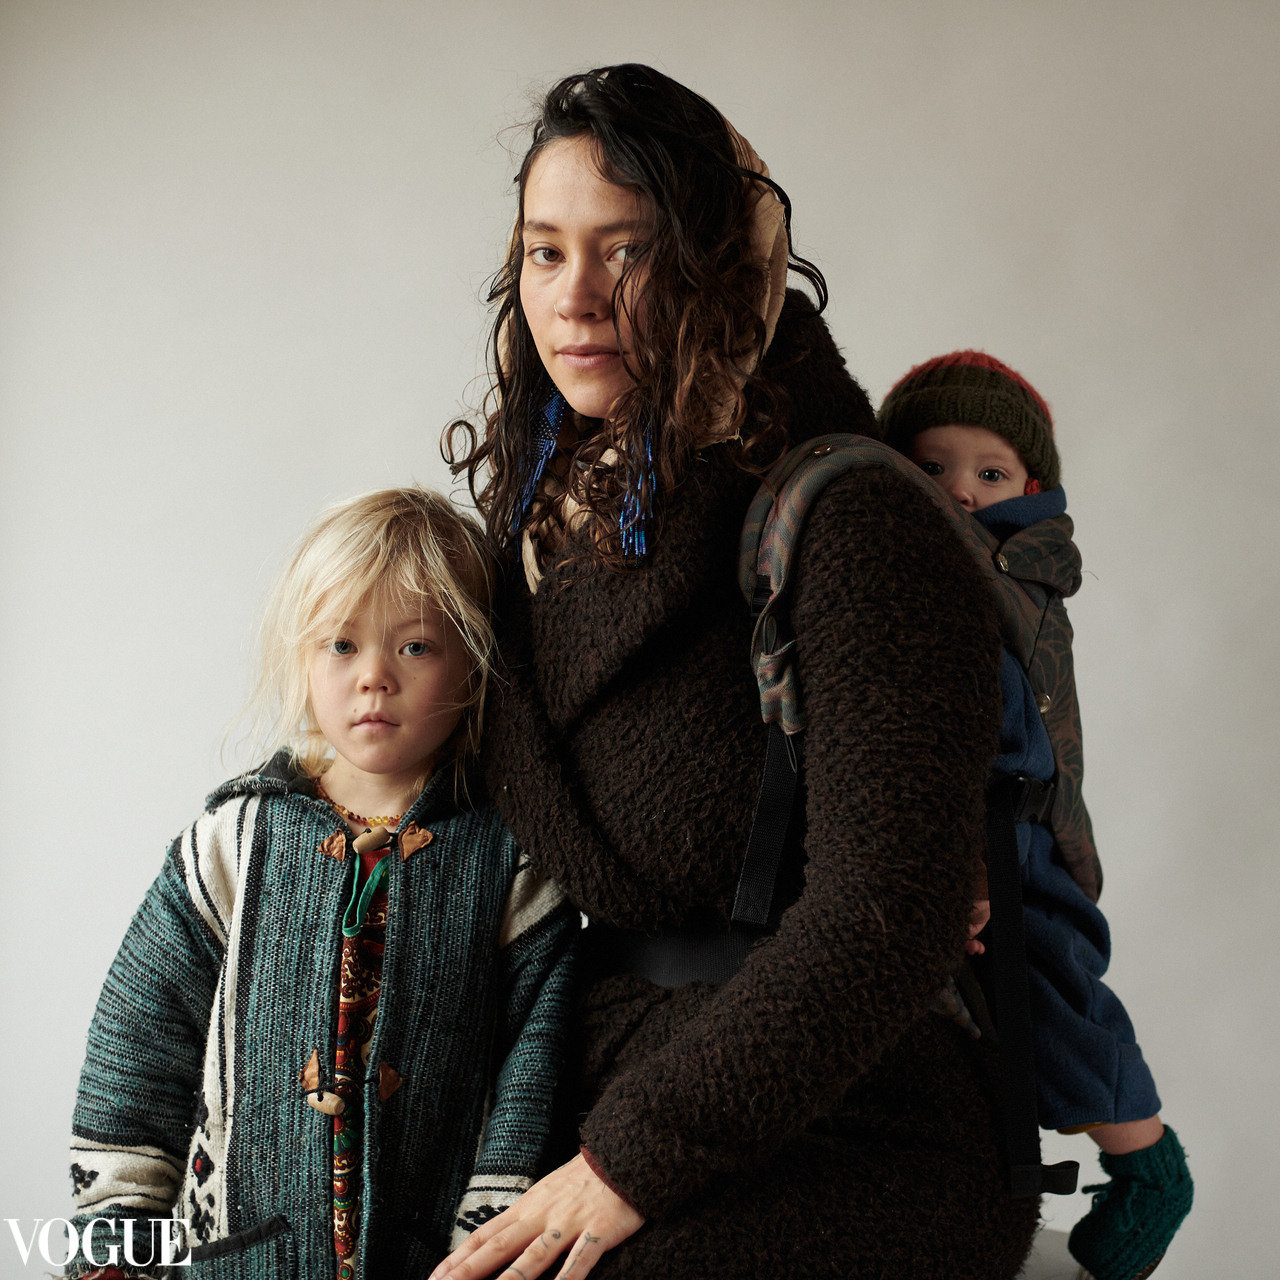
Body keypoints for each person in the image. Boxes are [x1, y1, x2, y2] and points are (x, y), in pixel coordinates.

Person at [437, 64, 1038, 1280]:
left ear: (721, 266)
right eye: (545, 253)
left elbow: (891, 913)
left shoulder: (848, 517)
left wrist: (629, 1159)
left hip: (854, 1111)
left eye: (631, 251)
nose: (578, 298)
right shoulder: (543, 532)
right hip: (590, 1077)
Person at [67, 488, 577, 1280]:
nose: (373, 677)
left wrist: (490, 1247)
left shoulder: (511, 861)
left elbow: (533, 1072)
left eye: (415, 647)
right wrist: (115, 1246)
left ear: (473, 666)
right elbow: (139, 1044)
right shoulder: (231, 846)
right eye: (341, 646)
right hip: (241, 1263)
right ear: (301, 661)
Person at [879, 350, 1193, 1280]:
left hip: (1011, 840)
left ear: (1031, 486)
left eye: (990, 473)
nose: (960, 492)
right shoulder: (943, 560)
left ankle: (1147, 1167)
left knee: (1056, 1001)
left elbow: (993, 733)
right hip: (985, 832)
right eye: (931, 467)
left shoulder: (1007, 571)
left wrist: (970, 866)